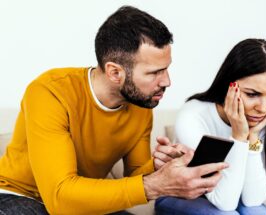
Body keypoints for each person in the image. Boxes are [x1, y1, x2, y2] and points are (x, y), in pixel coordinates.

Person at [0, 6, 228, 215]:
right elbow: (59, 198)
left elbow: (136, 177)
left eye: (166, 69)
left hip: (84, 205)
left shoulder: (142, 104)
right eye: (154, 72)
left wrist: (162, 168)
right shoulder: (50, 92)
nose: (167, 81)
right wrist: (154, 185)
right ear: (115, 72)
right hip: (20, 196)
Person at [154, 38, 266, 215]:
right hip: (181, 197)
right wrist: (239, 137)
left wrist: (253, 137)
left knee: (258, 213)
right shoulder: (193, 116)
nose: (263, 108)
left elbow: (253, 199)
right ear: (229, 86)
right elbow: (224, 202)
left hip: (232, 197)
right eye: (252, 94)